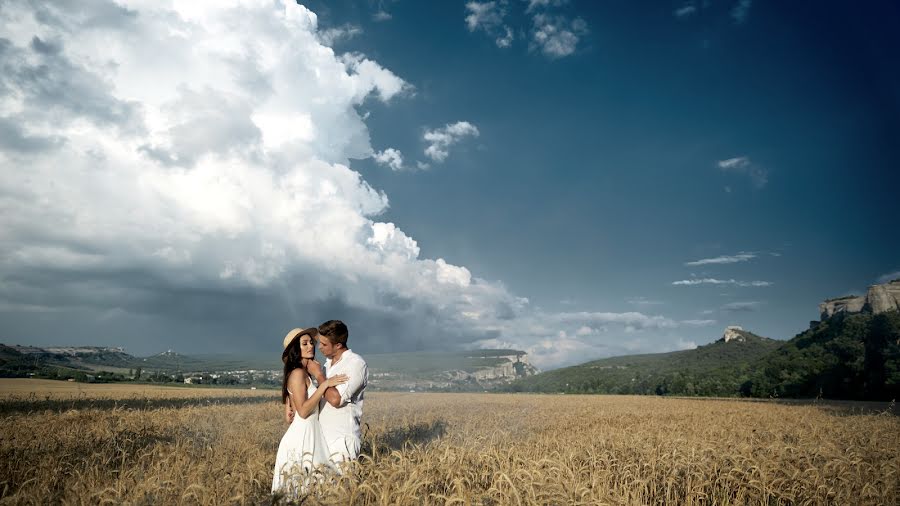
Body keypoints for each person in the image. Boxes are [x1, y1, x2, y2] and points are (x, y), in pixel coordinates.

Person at [271, 327, 348, 496]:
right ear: (295, 350)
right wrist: (325, 385)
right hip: (302, 438)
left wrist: (289, 405)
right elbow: (304, 411)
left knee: (314, 488)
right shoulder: (298, 373)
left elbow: (296, 400)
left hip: (312, 433)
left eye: (311, 343)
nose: (310, 346)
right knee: (301, 491)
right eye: (304, 343)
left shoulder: (305, 373)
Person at [316, 319, 368, 466]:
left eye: (324, 344)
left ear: (338, 345)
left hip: (342, 441)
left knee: (344, 487)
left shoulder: (355, 364)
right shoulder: (328, 364)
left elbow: (335, 400)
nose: (319, 347)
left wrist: (319, 375)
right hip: (322, 439)